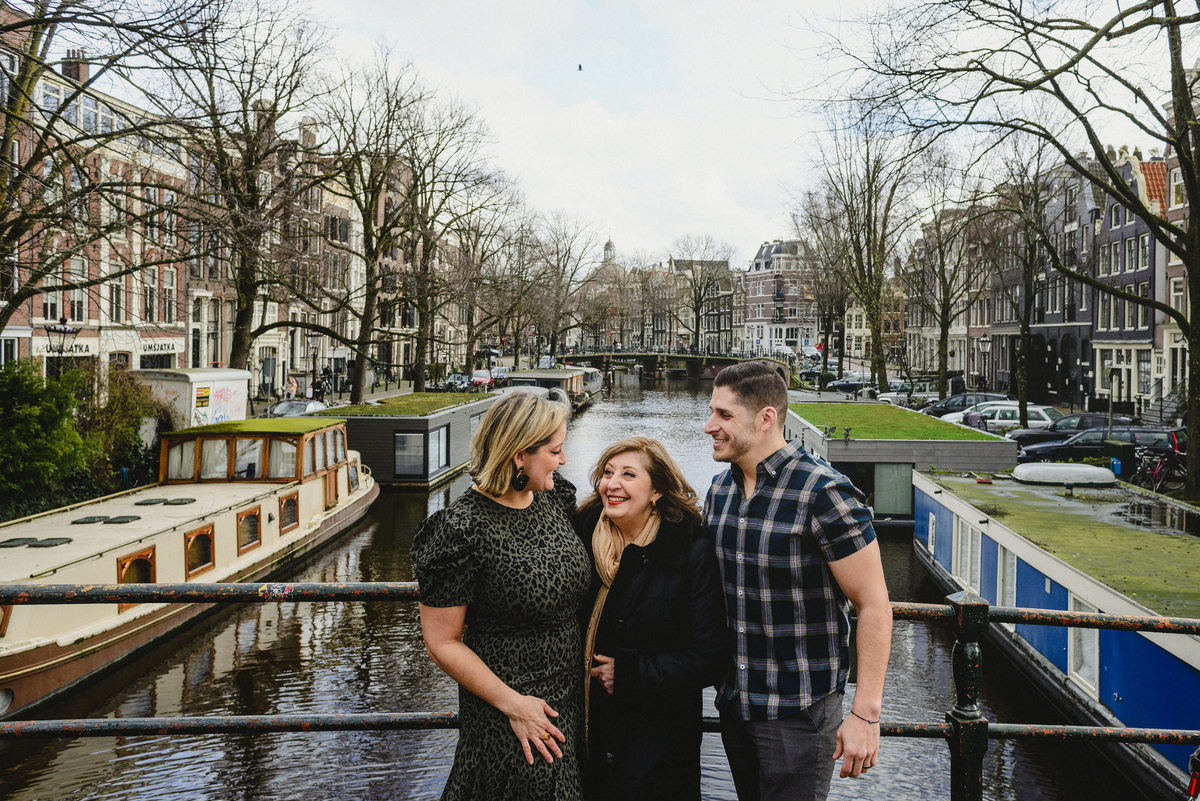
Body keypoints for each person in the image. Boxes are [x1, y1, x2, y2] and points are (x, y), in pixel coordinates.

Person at [702, 360, 893, 801]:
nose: (710, 425)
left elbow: (874, 603)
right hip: (735, 702)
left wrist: (865, 714)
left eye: (724, 415)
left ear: (766, 418)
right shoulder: (720, 491)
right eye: (712, 411)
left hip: (798, 711)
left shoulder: (824, 493)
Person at [413, 389, 590, 801]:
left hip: (565, 701)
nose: (562, 460)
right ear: (518, 456)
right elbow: (441, 642)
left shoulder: (552, 498)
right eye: (555, 450)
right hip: (509, 712)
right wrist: (513, 705)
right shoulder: (460, 531)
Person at [573, 436, 726, 801]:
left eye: (628, 474)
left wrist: (630, 673)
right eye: (608, 472)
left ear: (656, 490)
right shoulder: (579, 535)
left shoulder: (688, 550)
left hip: (656, 739)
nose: (612, 484)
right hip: (580, 727)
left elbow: (710, 655)